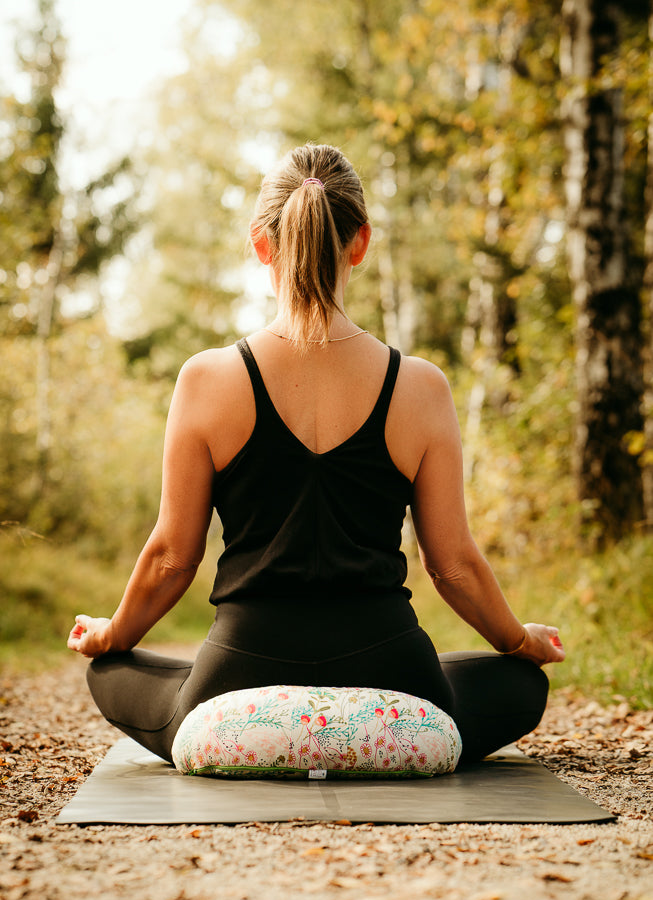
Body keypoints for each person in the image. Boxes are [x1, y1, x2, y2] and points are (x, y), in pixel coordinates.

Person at [67, 143, 564, 765]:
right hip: (393, 673)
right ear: (360, 243)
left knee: (110, 671)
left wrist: (114, 632)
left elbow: (172, 557)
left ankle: (243, 734)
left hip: (236, 676)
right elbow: (453, 565)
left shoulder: (207, 379)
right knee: (520, 683)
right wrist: (519, 641)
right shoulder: (420, 385)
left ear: (261, 243)